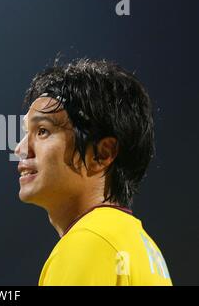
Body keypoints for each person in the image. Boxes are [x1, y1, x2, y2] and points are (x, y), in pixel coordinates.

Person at [14, 58, 172, 286]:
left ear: (102, 153)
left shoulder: (88, 243)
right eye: (25, 132)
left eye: (42, 131)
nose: (20, 149)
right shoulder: (143, 247)